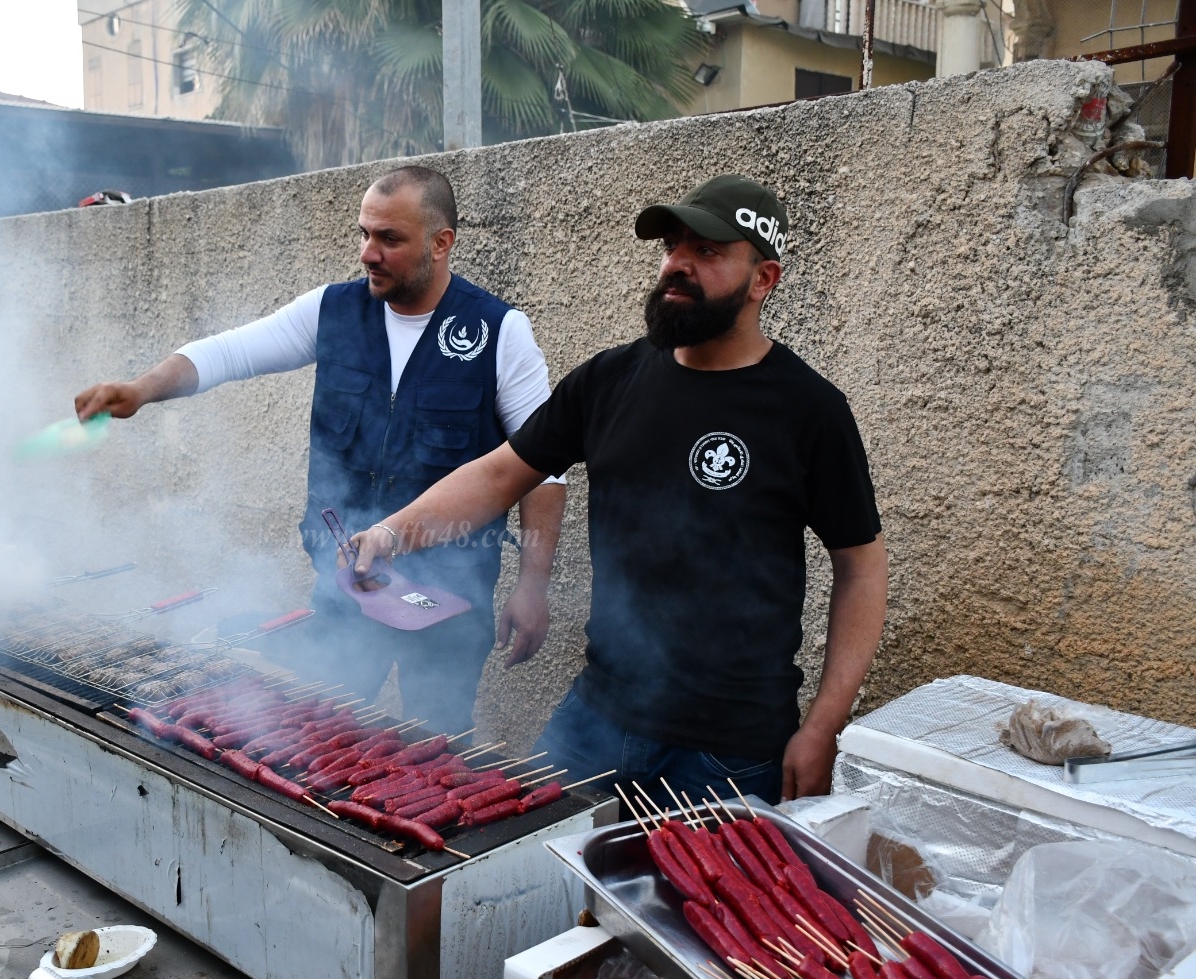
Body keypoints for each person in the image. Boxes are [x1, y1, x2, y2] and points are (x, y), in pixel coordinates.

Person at [345, 174, 887, 804]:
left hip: (731, 748)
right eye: (673, 247)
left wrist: (824, 724)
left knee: (692, 903)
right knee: (535, 882)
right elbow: (498, 475)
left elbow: (861, 568)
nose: (677, 266)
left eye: (707, 253)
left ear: (763, 280)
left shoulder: (809, 409)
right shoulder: (610, 379)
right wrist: (390, 533)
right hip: (597, 718)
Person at [76, 165, 566, 736]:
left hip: (447, 600)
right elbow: (228, 353)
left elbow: (545, 468)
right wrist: (140, 389)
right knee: (318, 735)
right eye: (363, 234)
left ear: (442, 242)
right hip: (345, 586)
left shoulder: (499, 331)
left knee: (436, 748)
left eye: (389, 239)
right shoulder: (332, 311)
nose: (368, 253)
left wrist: (533, 586)